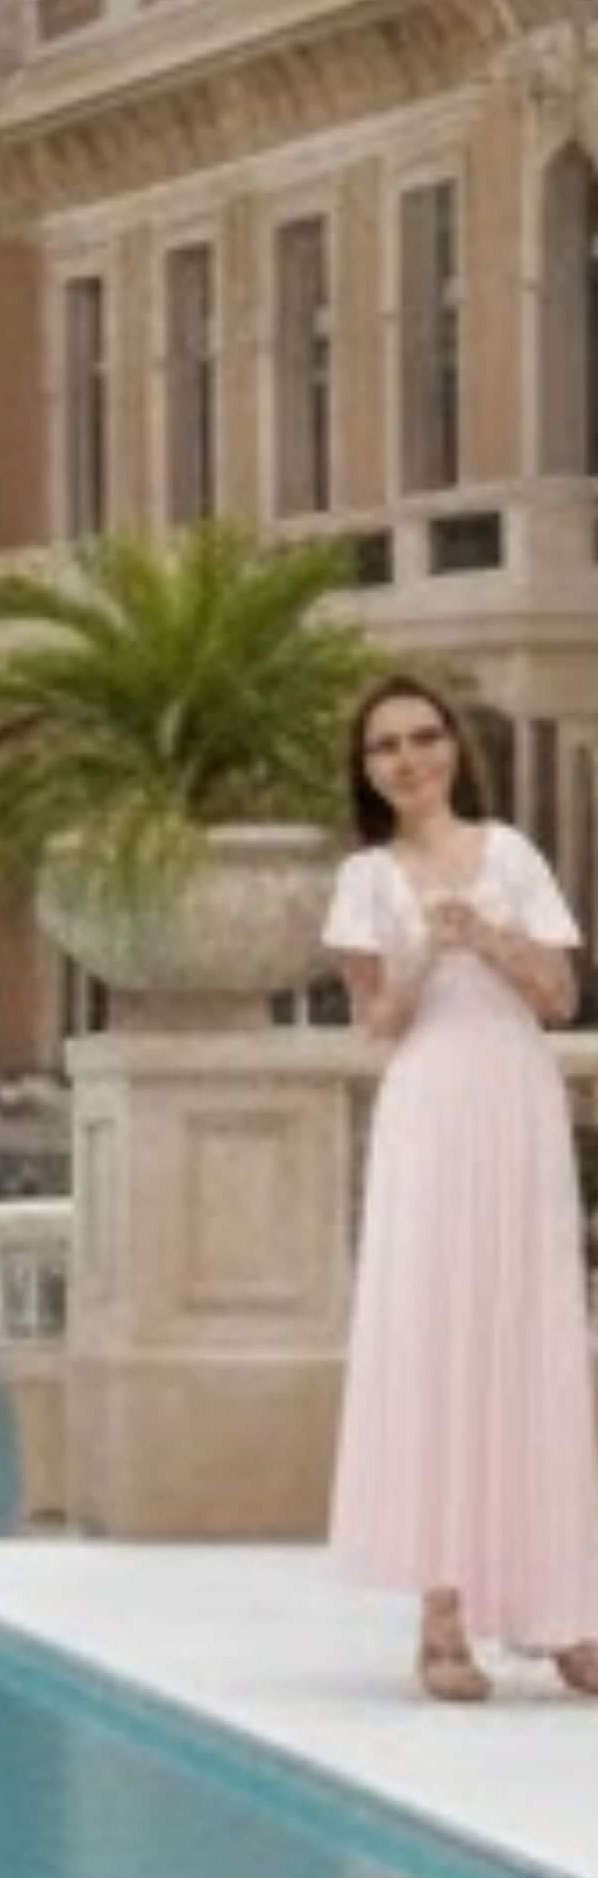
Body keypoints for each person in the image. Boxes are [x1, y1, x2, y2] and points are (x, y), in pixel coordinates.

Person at [323, 678, 598, 1704]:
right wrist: (421, 950)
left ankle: (565, 1612)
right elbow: (377, 1022)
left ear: (451, 747)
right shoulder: (362, 877)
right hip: (428, 1115)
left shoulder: (512, 854)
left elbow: (559, 994)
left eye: (422, 737)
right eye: (385, 746)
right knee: (438, 1338)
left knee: (532, 1336)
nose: (408, 759)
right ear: (367, 771)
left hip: (516, 1105)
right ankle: (441, 1618)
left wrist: (489, 937)